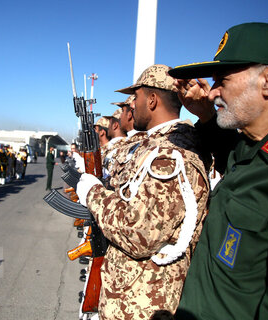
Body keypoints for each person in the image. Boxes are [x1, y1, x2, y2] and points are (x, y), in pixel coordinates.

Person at [168, 22, 268, 319]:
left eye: (222, 81)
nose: (212, 94)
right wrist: (203, 113)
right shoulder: (254, 146)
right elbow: (233, 153)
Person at [76, 65, 211, 319]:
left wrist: (93, 193)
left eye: (135, 97)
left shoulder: (172, 155)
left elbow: (138, 233)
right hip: (129, 296)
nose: (132, 105)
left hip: (144, 305)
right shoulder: (155, 146)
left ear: (152, 100)